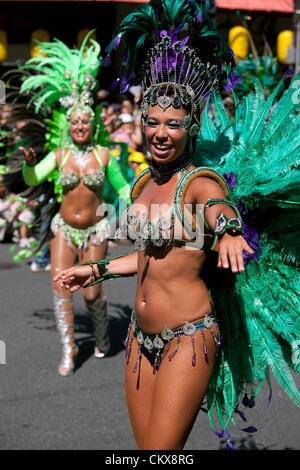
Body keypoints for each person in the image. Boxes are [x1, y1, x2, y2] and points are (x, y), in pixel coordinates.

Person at [54, 0, 300, 450]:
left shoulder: (196, 181)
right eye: (152, 121)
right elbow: (150, 257)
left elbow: (217, 205)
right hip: (138, 338)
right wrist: (100, 270)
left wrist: (228, 231)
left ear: (191, 127)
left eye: (173, 123)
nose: (160, 132)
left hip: (188, 338)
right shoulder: (143, 182)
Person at [11, 34, 131, 377]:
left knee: (92, 294)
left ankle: (103, 335)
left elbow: (122, 188)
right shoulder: (59, 155)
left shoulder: (104, 155)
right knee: (60, 286)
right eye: (75, 121)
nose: (80, 125)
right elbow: (34, 180)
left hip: (95, 231)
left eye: (85, 120)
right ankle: (69, 347)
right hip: (64, 230)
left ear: (92, 123)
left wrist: (137, 205)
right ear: (69, 125)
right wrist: (29, 164)